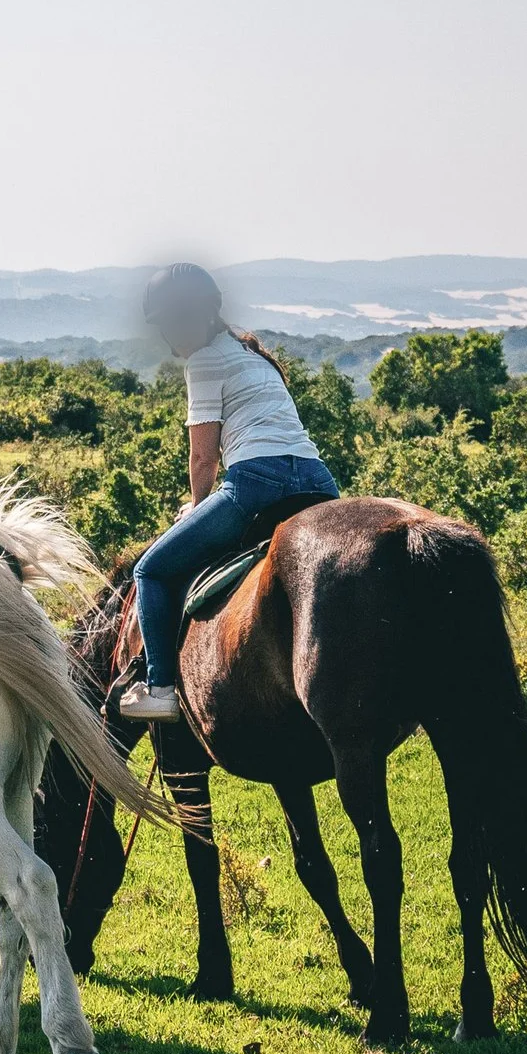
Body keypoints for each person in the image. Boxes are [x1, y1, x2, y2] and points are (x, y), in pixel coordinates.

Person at [118, 263, 341, 723]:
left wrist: (197, 508)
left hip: (255, 484)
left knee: (151, 571)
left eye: (173, 322)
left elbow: (204, 459)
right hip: (319, 482)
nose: (172, 333)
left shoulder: (204, 360)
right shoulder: (253, 356)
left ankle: (159, 687)